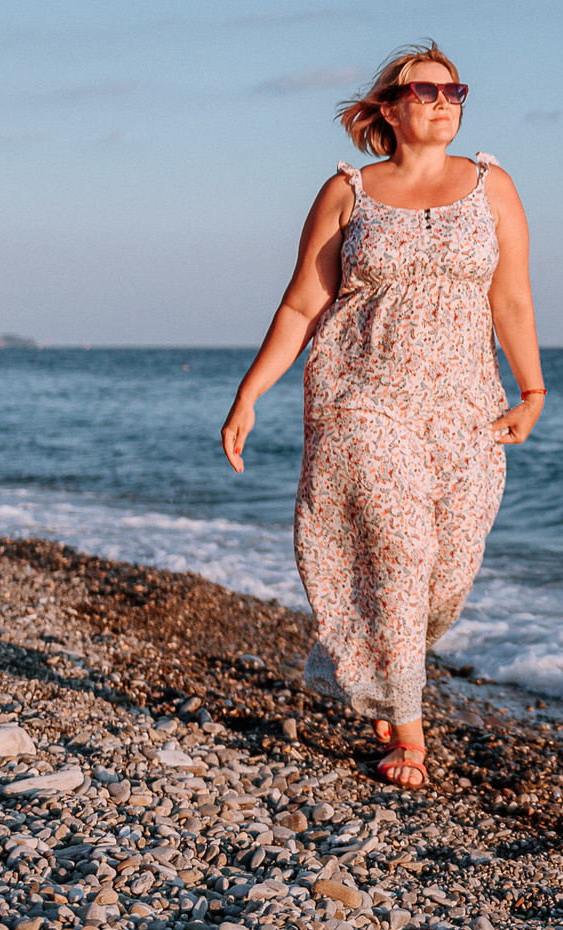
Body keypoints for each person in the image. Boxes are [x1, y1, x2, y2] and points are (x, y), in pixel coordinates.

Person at [219, 42, 545, 789]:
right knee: (399, 551)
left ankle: (370, 666)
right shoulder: (347, 193)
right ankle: (409, 734)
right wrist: (250, 392)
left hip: (466, 403)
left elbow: (513, 299)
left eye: (454, 89)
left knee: (449, 565)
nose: (442, 100)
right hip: (358, 397)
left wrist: (531, 392)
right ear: (388, 110)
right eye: (424, 90)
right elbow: (305, 302)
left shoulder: (493, 187)